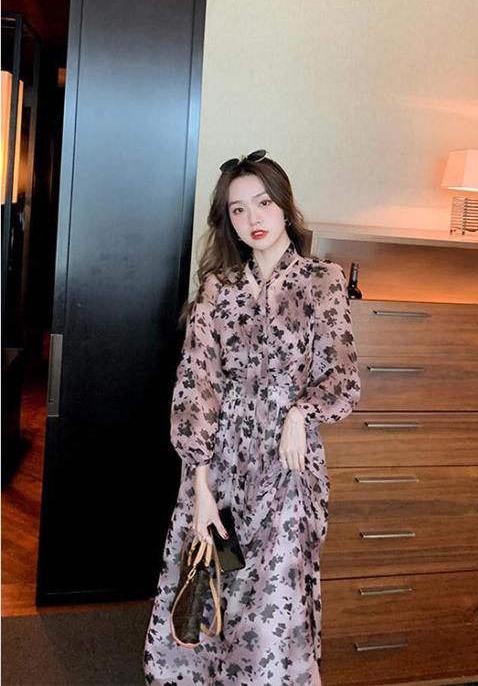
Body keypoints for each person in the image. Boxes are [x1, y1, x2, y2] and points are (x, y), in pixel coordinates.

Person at [142, 149, 361, 685]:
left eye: (263, 203)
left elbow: (342, 377)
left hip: (288, 469)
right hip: (220, 463)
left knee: (274, 603)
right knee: (211, 586)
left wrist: (299, 413)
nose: (253, 219)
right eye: (238, 210)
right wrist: (200, 486)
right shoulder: (217, 290)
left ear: (284, 205)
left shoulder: (322, 281)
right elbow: (196, 386)